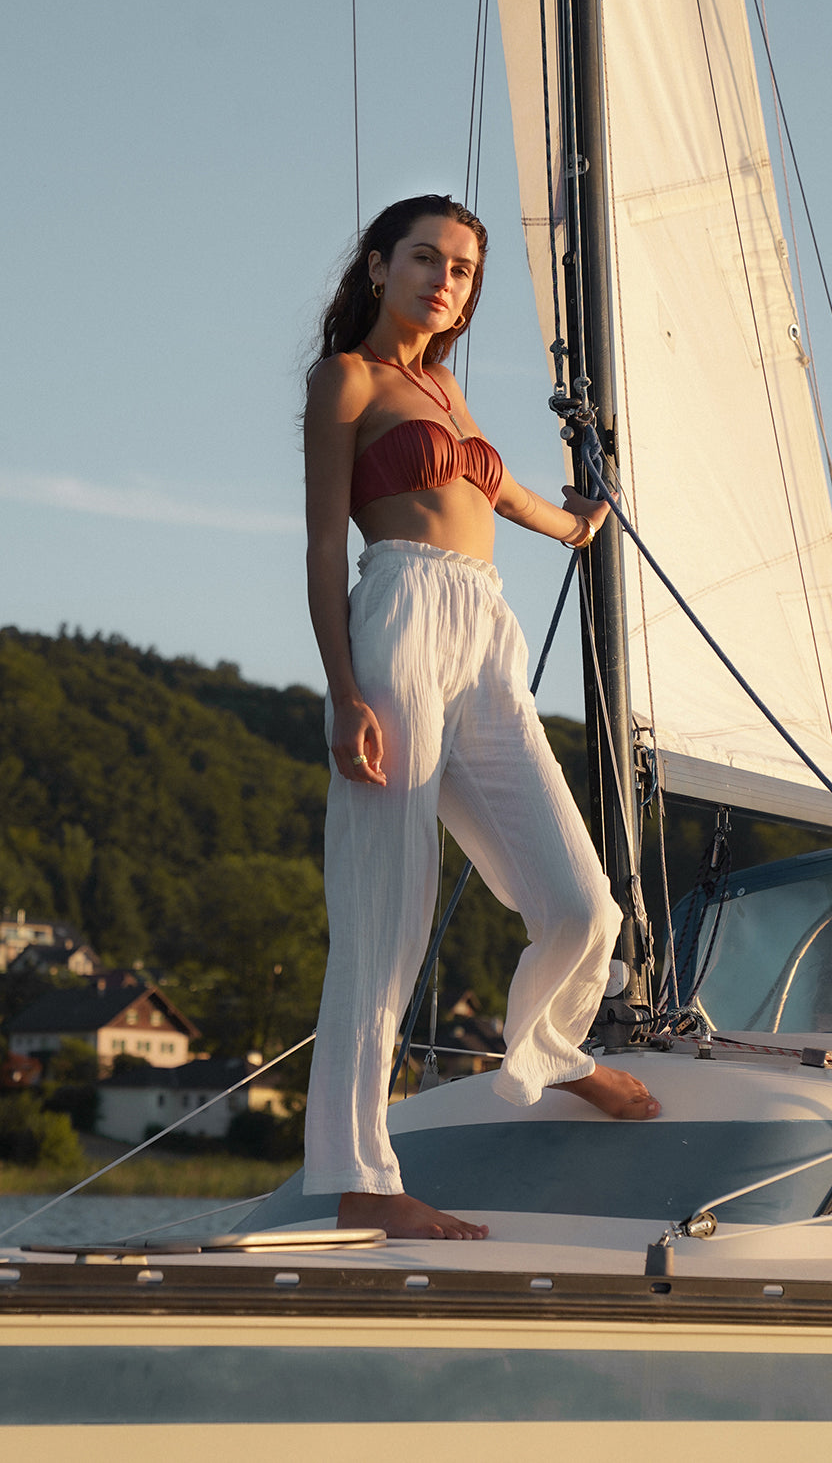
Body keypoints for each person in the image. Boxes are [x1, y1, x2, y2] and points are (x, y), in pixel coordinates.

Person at [302, 193, 659, 1241]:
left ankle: (550, 1049)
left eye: (462, 270)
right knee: (386, 917)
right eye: (425, 259)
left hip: (485, 636)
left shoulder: (447, 391)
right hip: (398, 618)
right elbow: (326, 545)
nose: (444, 281)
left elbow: (503, 500)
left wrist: (578, 522)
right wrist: (344, 691)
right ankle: (361, 1177)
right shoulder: (349, 380)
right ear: (378, 265)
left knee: (584, 904)